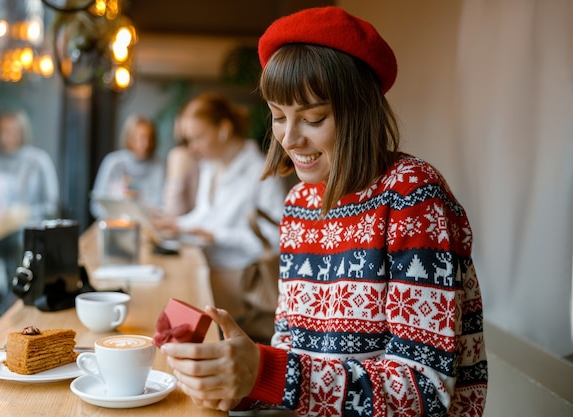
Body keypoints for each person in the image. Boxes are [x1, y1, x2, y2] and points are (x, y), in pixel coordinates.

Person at [160, 6, 488, 416]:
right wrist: (236, 383)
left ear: (358, 112)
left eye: (313, 118)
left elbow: (423, 394)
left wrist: (267, 371)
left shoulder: (413, 197)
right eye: (279, 117)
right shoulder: (300, 204)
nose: (289, 138)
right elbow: (293, 357)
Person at [153, 92, 286, 333]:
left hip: (241, 280)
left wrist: (216, 236)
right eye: (189, 140)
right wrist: (176, 225)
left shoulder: (262, 171)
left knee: (168, 305)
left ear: (223, 130)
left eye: (198, 138)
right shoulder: (210, 167)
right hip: (209, 267)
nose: (192, 148)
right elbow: (204, 217)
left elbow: (277, 239)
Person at [0, 110, 59, 319]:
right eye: (2, 132)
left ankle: (13, 303)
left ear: (22, 132)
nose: (7, 137)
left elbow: (52, 205)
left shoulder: (38, 160)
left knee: (18, 242)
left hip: (29, 230)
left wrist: (26, 213)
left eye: (12, 131)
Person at [90, 114, 165, 219]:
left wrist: (139, 202)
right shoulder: (114, 162)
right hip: (115, 223)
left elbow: (162, 207)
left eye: (149, 137)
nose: (145, 143)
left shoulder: (159, 167)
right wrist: (120, 200)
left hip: (149, 225)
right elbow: (96, 205)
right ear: (129, 137)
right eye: (139, 138)